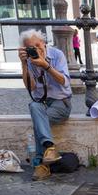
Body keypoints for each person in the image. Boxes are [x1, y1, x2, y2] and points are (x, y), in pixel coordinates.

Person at [20, 29, 71, 181]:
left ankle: (40, 164)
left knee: (39, 121)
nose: (36, 49)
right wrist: (24, 64)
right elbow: (31, 87)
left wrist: (46, 66)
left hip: (61, 103)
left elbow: (64, 82)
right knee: (34, 106)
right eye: (31, 47)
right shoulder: (29, 60)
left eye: (37, 45)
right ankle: (49, 148)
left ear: (43, 42)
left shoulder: (57, 55)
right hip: (41, 104)